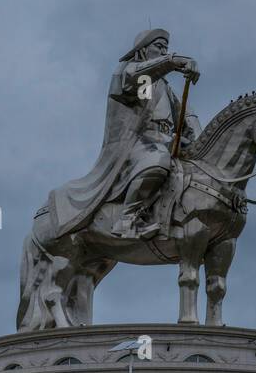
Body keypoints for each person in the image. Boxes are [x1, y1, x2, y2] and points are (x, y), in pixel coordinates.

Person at [42, 26, 202, 243]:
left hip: (168, 140)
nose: (164, 52)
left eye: (166, 48)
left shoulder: (166, 88)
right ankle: (128, 220)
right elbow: (140, 78)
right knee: (158, 162)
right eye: (159, 47)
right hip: (137, 142)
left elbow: (187, 117)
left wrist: (200, 141)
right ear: (143, 51)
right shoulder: (127, 72)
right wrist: (172, 62)